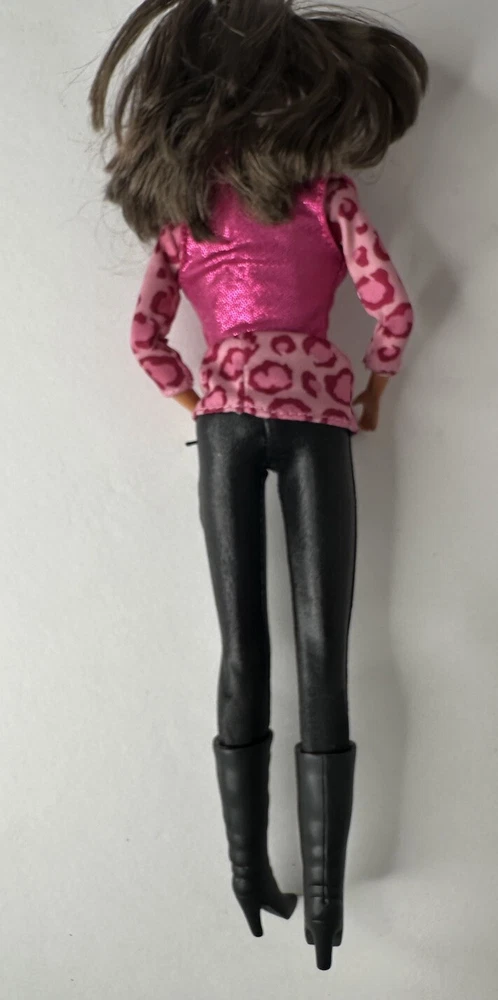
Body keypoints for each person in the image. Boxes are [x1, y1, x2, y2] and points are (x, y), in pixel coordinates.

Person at [89, 0, 428, 972]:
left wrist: (198, 393)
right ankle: (324, 907)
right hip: (317, 418)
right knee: (327, 649)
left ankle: (250, 879)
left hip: (227, 423)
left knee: (244, 648)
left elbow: (146, 336)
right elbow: (392, 310)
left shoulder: (188, 207)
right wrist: (372, 388)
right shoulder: (326, 196)